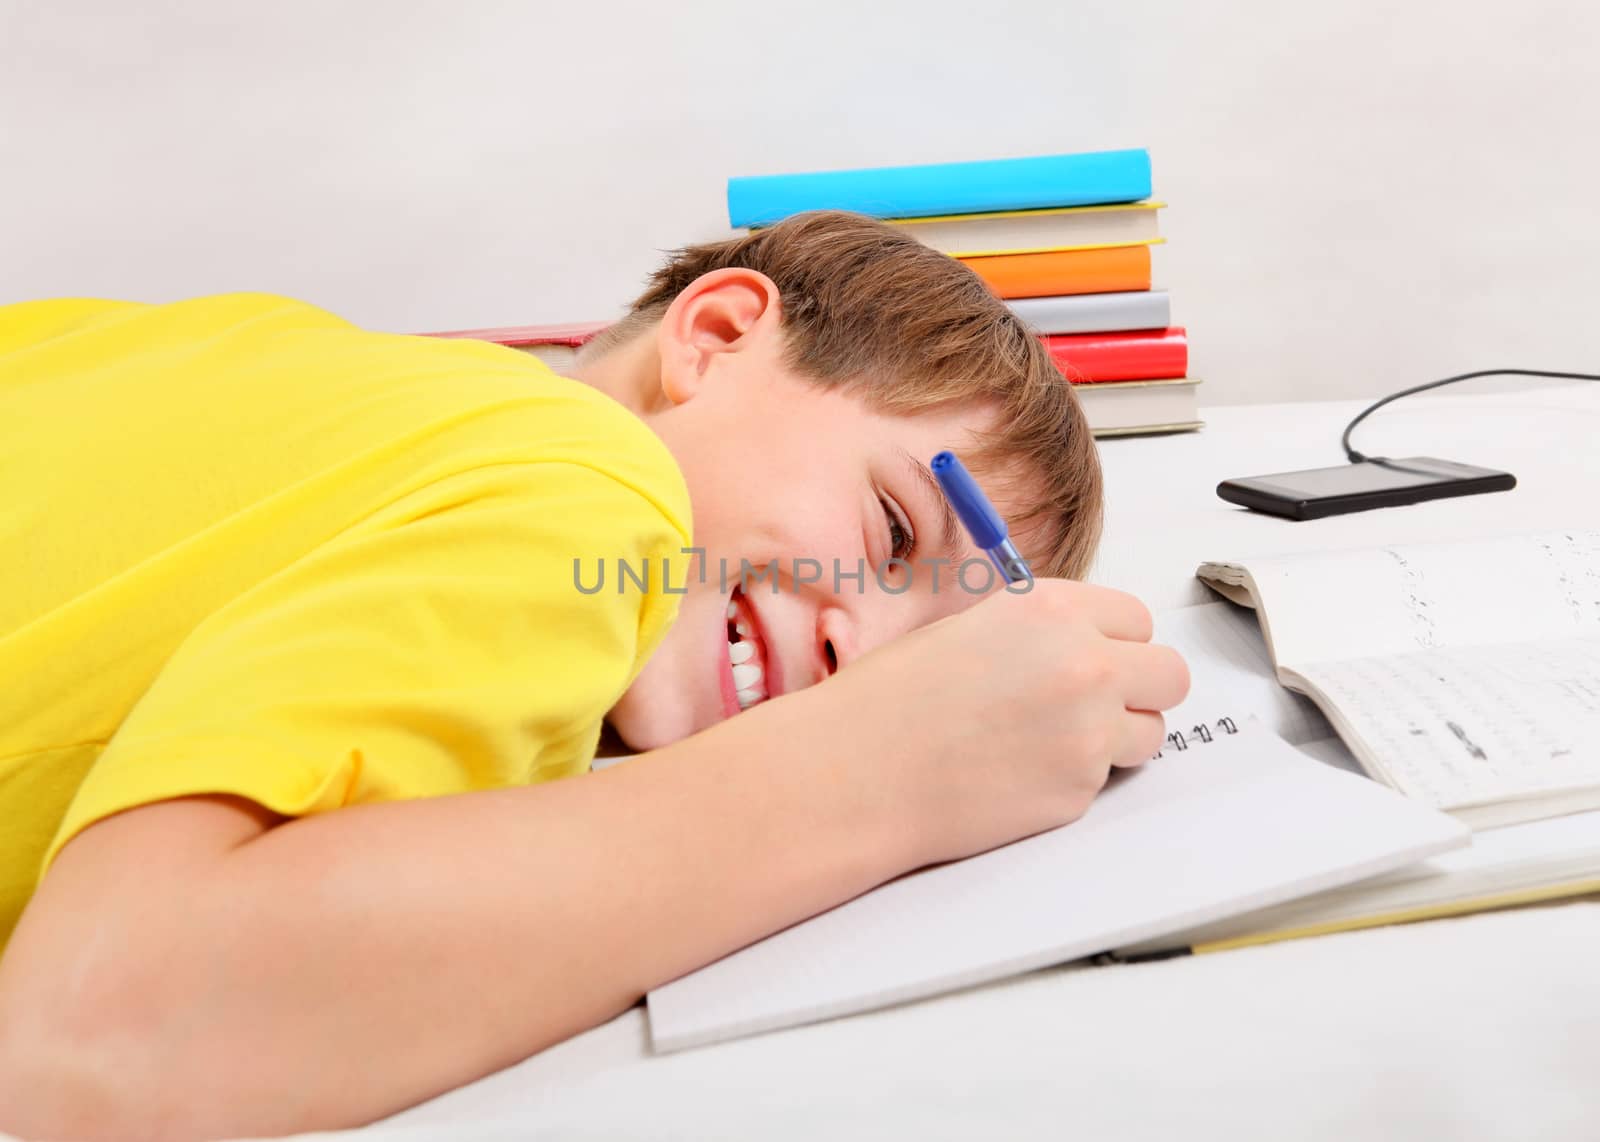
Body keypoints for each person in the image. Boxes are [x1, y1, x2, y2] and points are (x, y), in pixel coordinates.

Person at [0, 211, 1188, 1139]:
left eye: (928, 656)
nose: (858, 658)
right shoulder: (591, 480)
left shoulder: (278, 360)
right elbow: (101, 1035)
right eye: (888, 530)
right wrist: (882, 771)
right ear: (716, 337)